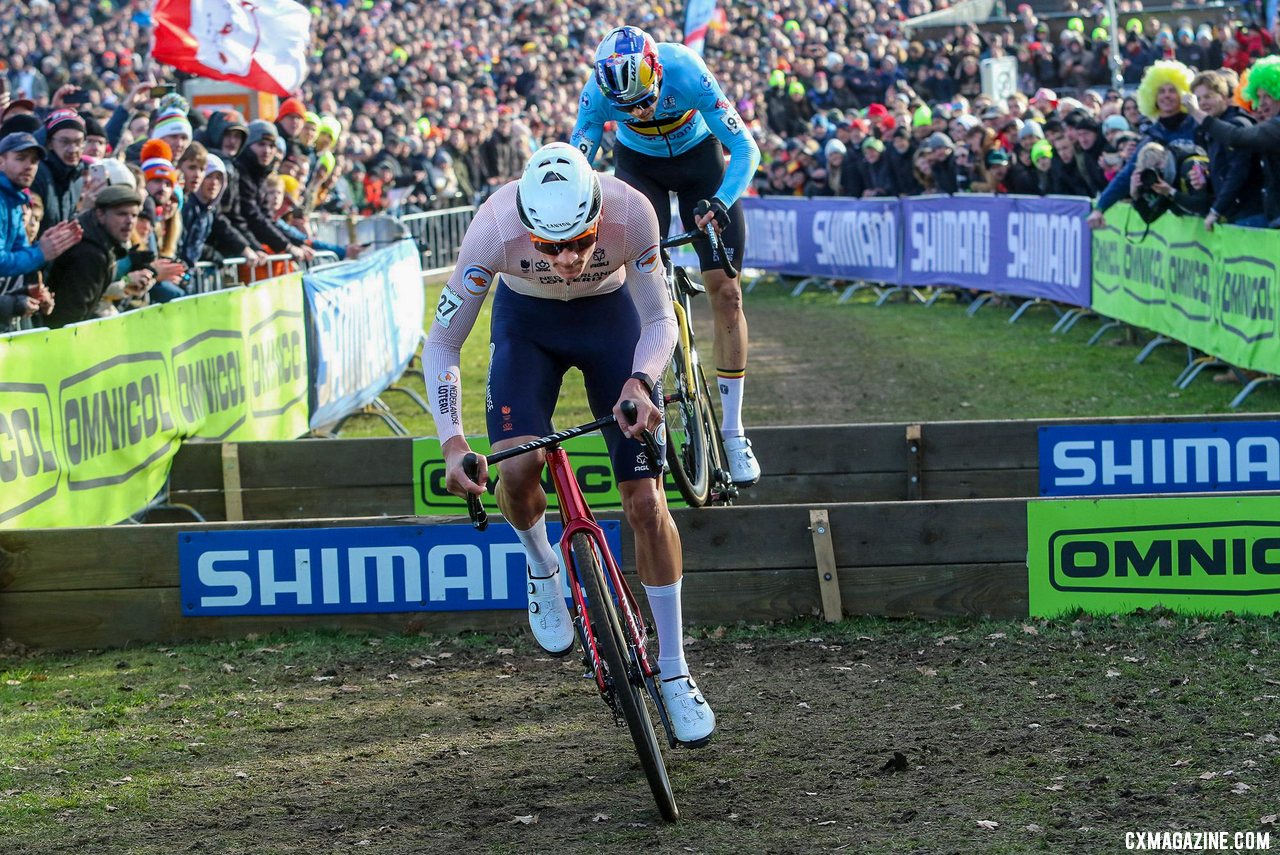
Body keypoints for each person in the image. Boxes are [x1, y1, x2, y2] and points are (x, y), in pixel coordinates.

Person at [422, 142, 714, 747]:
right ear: (527, 224)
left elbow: (660, 320)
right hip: (528, 328)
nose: (568, 259)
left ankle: (675, 669)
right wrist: (452, 444)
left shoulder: (632, 212)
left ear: (596, 215)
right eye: (550, 248)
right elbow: (444, 345)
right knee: (519, 468)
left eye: (581, 241)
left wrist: (641, 380)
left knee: (646, 503)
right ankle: (542, 566)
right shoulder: (493, 228)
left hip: (613, 322)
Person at [572, 26, 763, 487]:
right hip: (641, 172)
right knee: (640, 294)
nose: (639, 111)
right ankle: (649, 393)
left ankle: (734, 433)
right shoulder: (595, 94)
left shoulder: (686, 70)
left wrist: (721, 200)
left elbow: (744, 148)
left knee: (728, 295)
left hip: (701, 164)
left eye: (646, 99)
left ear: (657, 73)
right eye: (629, 108)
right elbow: (579, 162)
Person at [0, 133, 79, 330]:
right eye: (20, 158)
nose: (29, 166)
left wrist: (31, 291)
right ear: (1, 162)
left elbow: (18, 254)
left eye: (34, 161)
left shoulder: (15, 200)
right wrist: (41, 252)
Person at [45, 184, 143, 328]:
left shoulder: (100, 241)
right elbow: (72, 315)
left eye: (134, 215)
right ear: (100, 214)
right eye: (121, 214)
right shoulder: (90, 253)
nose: (129, 221)